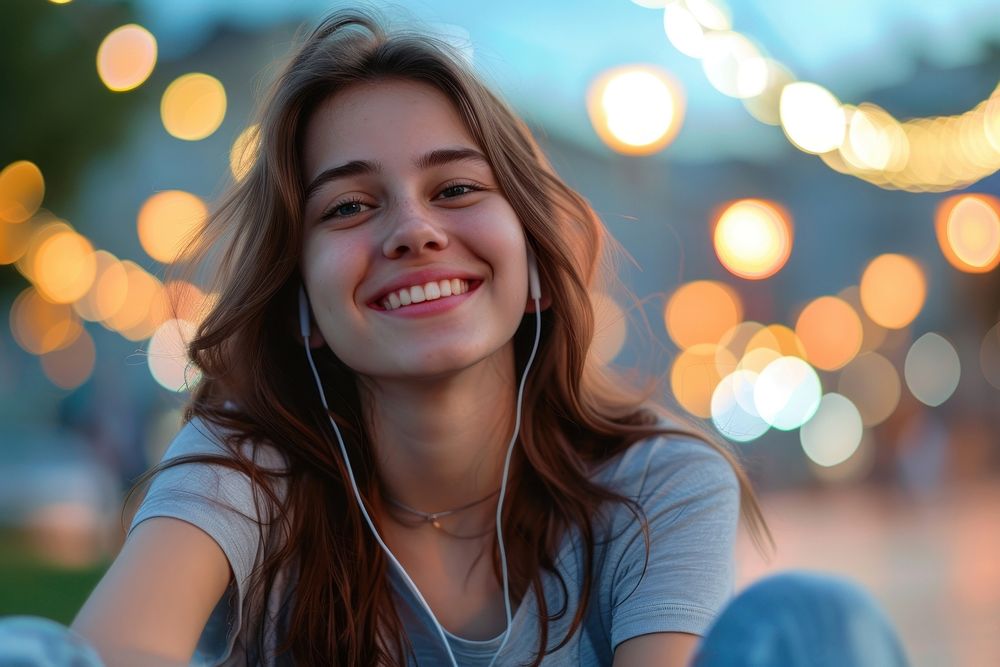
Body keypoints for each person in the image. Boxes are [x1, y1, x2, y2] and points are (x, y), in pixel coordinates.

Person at [55, 8, 908, 667]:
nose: (413, 230)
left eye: (457, 188)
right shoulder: (246, 466)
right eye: (350, 206)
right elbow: (106, 651)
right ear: (305, 307)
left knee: (816, 624)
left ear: (533, 264)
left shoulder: (657, 484)